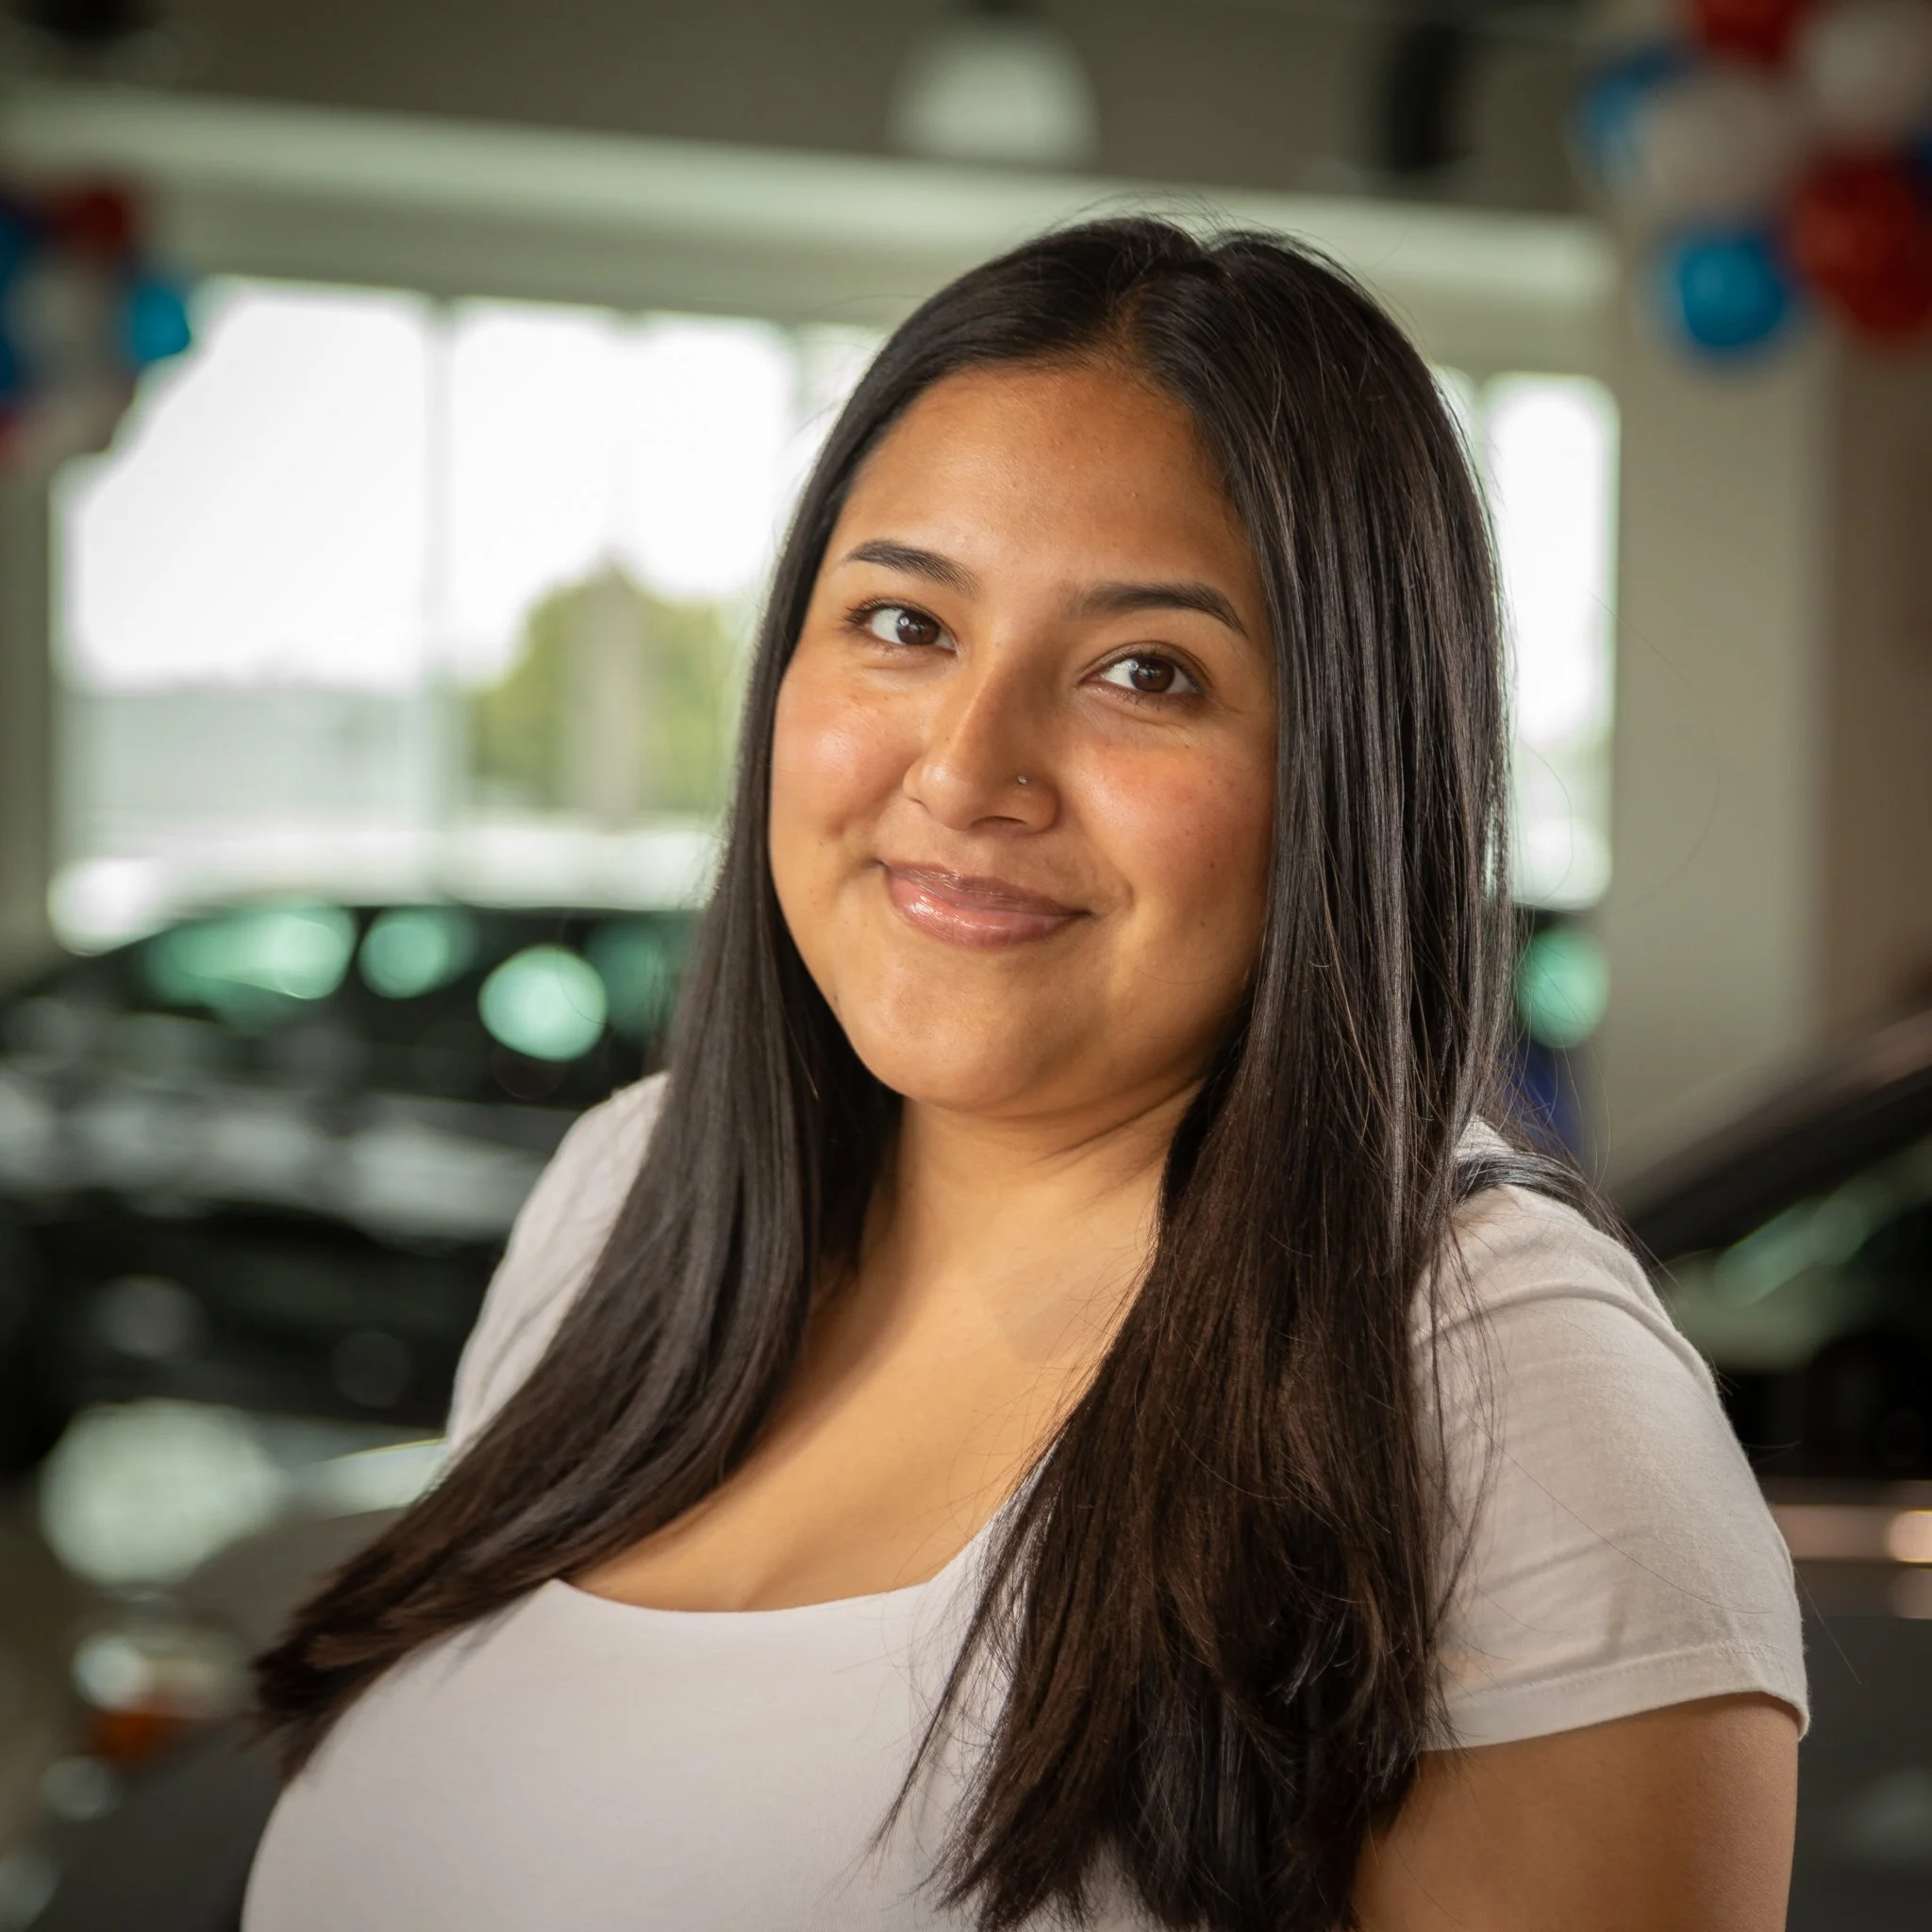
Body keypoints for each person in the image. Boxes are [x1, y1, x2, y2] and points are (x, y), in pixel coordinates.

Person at [245, 218, 1805, 1932]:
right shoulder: (626, 1200)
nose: (970, 766)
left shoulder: (1499, 1384)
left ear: (1345, 776)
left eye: (1147, 673)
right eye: (904, 623)